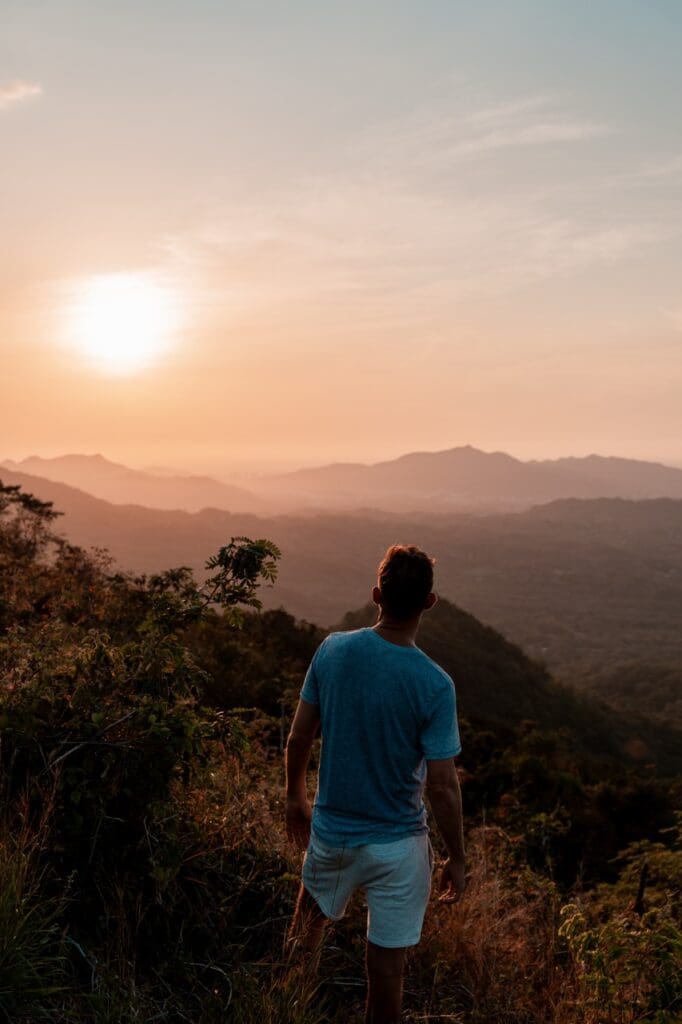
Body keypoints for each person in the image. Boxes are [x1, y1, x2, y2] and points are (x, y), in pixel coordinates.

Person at [285, 544, 466, 1024]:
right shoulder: (434, 684)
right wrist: (457, 858)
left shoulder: (334, 651)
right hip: (400, 847)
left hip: (333, 833)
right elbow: (443, 787)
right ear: (429, 602)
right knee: (387, 974)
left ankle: (280, 1009)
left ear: (375, 595)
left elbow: (300, 736)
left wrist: (294, 798)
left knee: (303, 939)